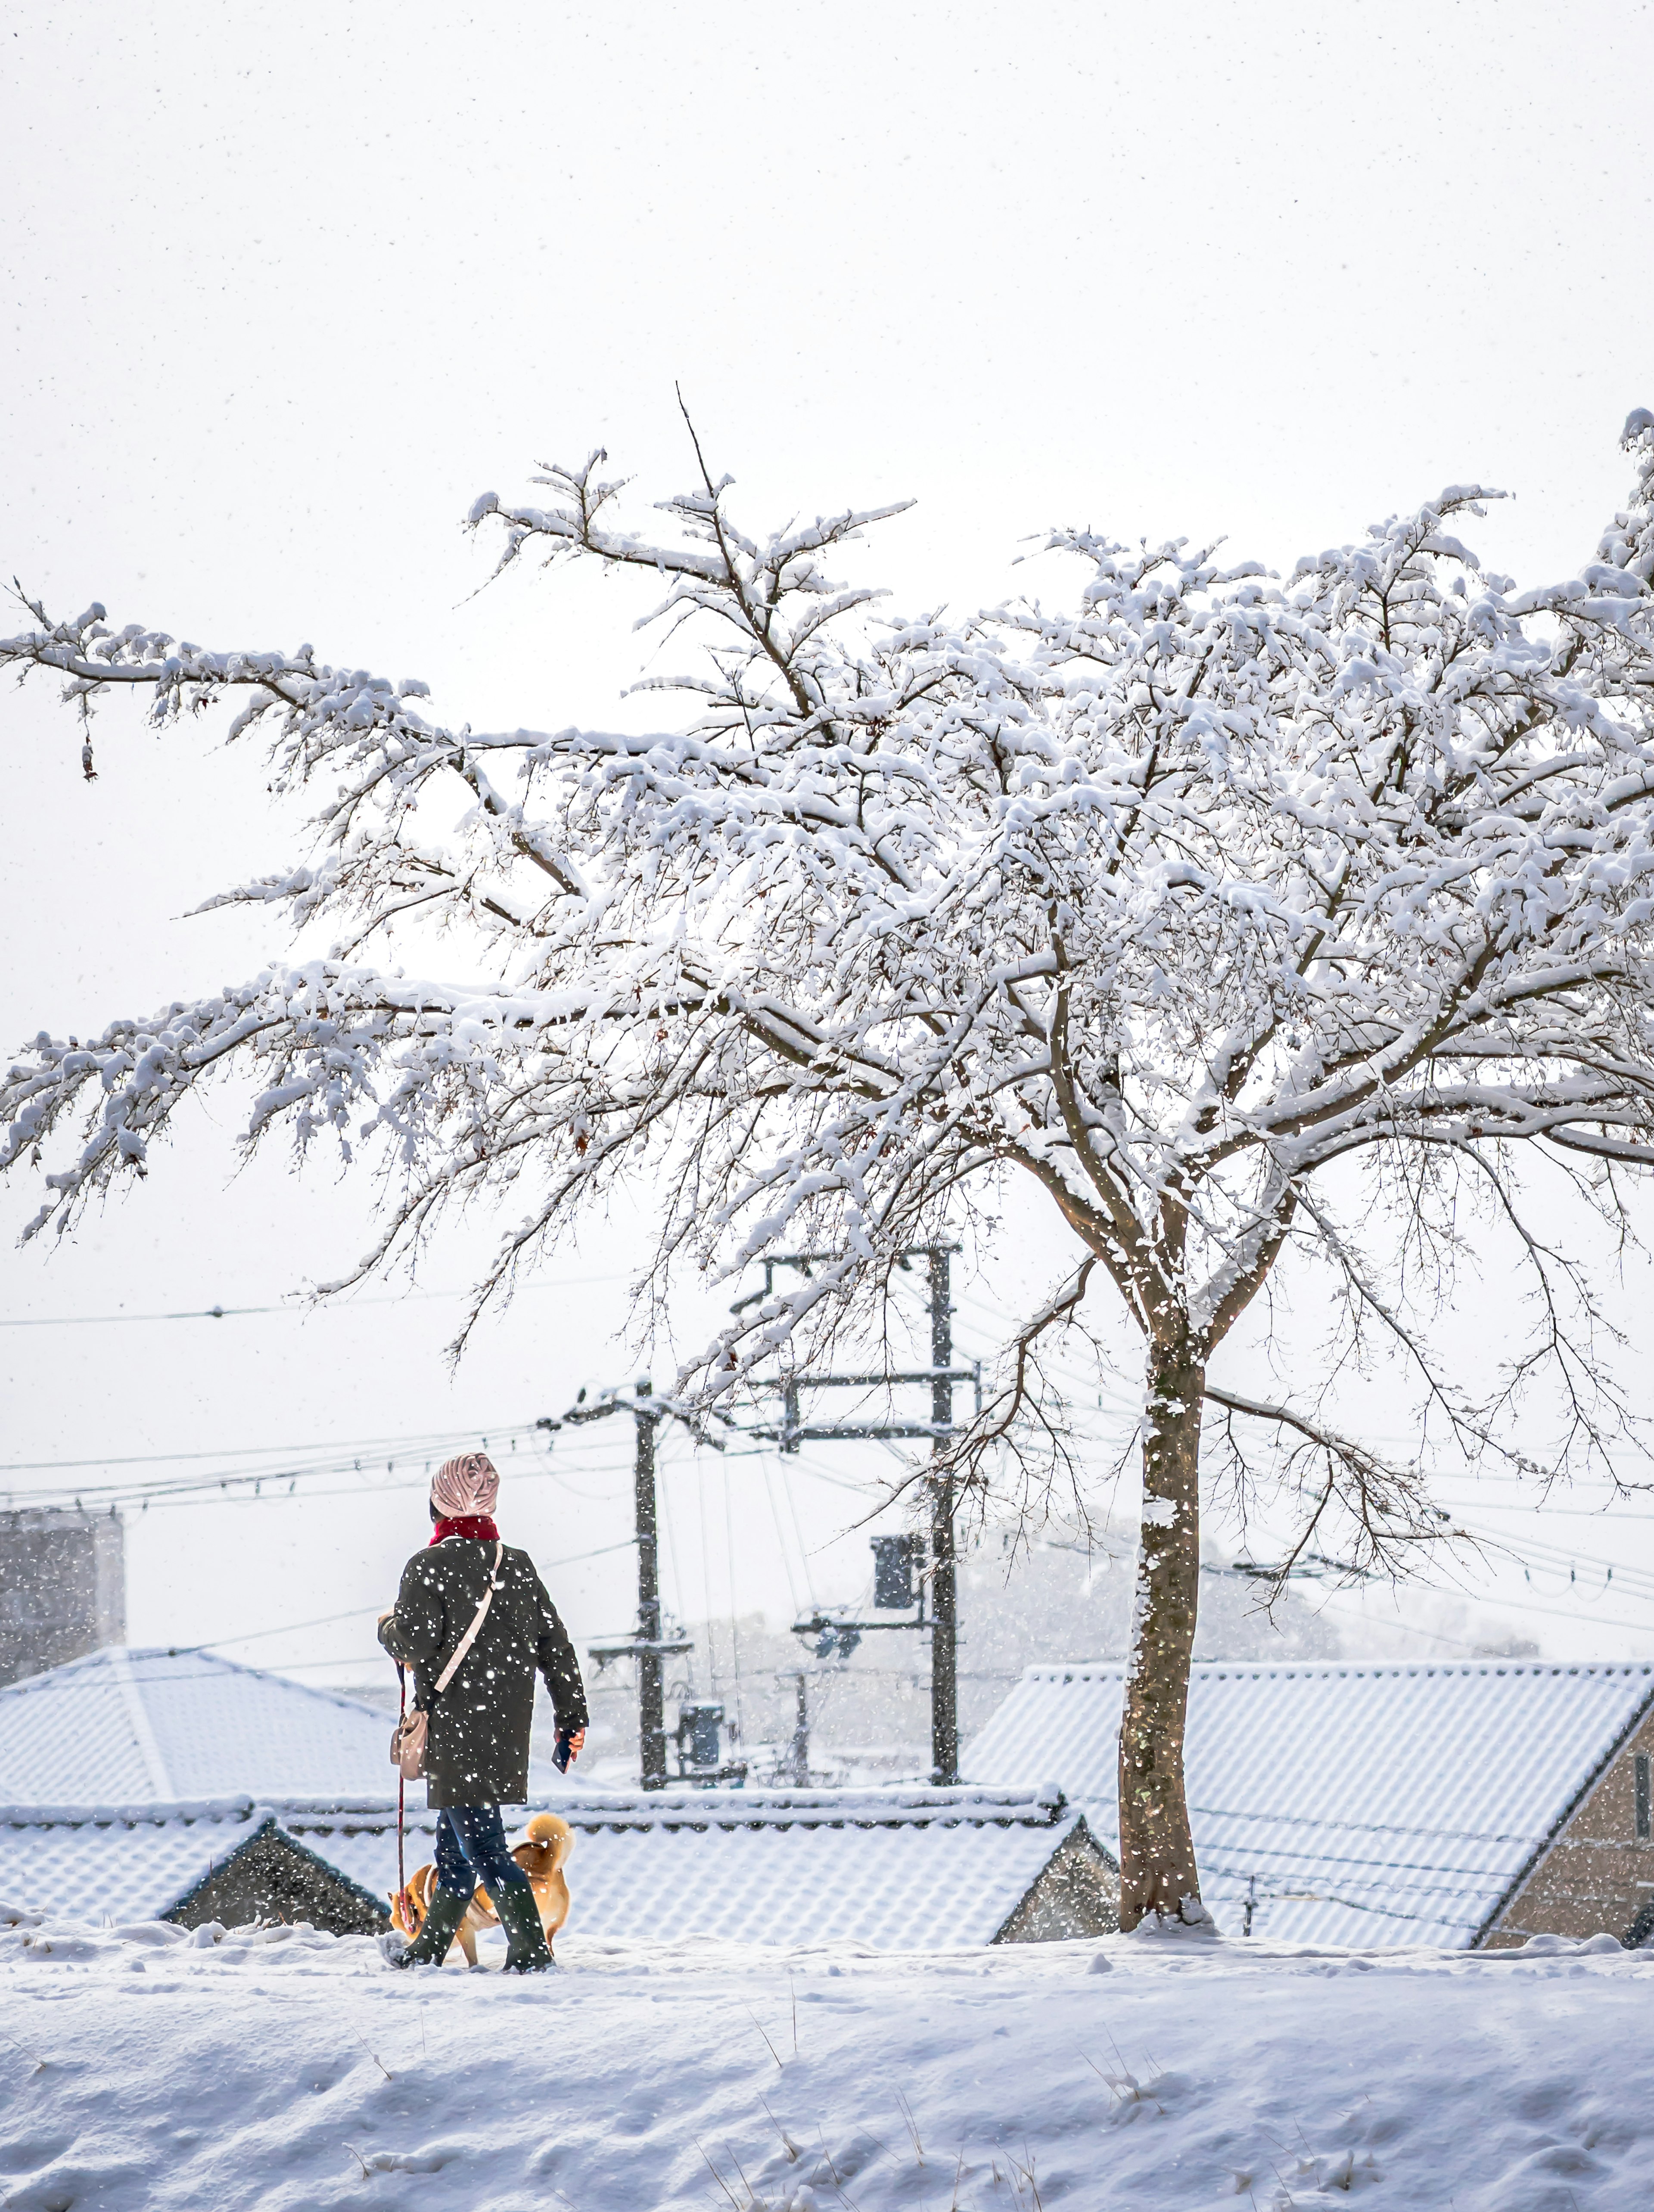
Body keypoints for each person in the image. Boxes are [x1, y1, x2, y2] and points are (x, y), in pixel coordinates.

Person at [378, 1449, 589, 1972]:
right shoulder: (515, 1565)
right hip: (505, 1727)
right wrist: (572, 1717)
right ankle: (428, 1950)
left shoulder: (428, 1566)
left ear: (439, 1506)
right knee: (454, 1852)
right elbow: (555, 1645)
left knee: (488, 1852)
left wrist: (386, 1628)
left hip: (453, 1730)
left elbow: (416, 1640)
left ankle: (531, 1953)